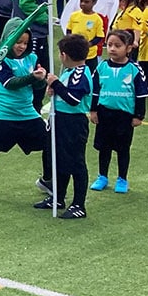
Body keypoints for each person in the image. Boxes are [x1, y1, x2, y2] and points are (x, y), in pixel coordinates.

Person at [0, 28, 51, 198]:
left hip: (27, 113)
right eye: (18, 42)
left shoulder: (32, 58)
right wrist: (33, 77)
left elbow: (37, 86)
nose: (22, 46)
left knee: (50, 144)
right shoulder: (0, 58)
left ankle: (47, 180)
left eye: (25, 43)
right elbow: (9, 83)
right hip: (3, 113)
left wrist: (41, 79)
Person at [90, 29, 148, 194]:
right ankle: (102, 176)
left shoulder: (134, 69)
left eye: (117, 45)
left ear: (128, 48)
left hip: (124, 116)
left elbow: (141, 94)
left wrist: (139, 115)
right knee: (104, 148)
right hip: (104, 114)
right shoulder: (101, 67)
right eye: (109, 45)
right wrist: (93, 110)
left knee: (123, 148)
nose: (112, 49)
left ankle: (122, 179)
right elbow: (95, 91)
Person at [42, 34, 93, 219]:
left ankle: (79, 204)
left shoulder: (81, 73)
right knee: (59, 160)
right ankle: (58, 197)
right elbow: (63, 93)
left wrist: (56, 83)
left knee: (76, 162)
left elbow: (73, 99)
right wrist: (53, 90)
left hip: (73, 123)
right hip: (60, 119)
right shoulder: (69, 72)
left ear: (64, 55)